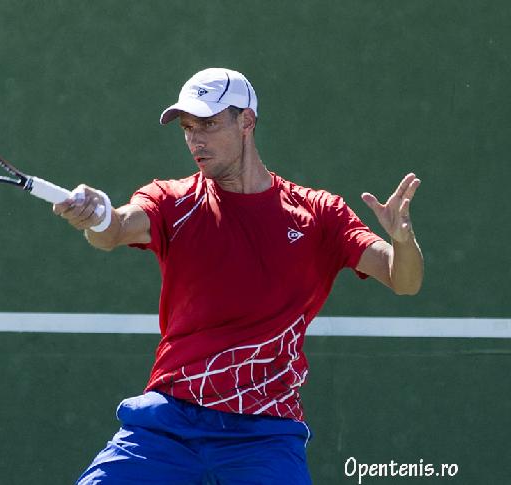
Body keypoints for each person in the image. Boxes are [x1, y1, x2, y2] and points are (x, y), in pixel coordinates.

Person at [55, 68, 423, 484]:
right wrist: (98, 213)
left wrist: (403, 239)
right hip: (167, 424)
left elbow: (402, 279)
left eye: (209, 124)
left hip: (264, 433)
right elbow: (116, 229)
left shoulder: (319, 213)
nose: (196, 139)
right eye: (188, 127)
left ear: (246, 121)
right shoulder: (172, 200)